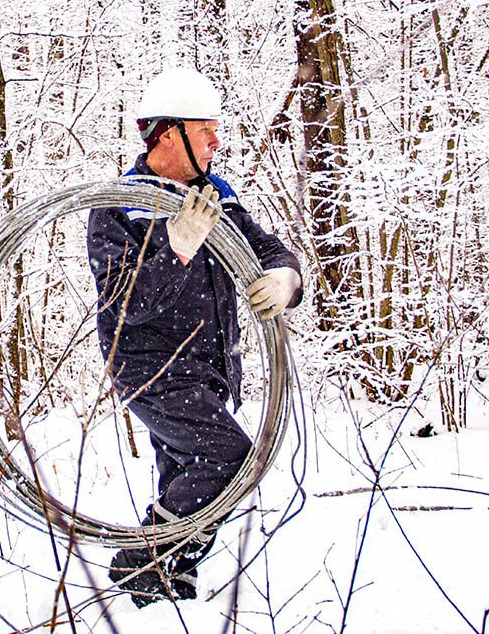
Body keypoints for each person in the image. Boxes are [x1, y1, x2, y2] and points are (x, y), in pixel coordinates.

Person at [86, 66, 303, 607]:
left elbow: (266, 249)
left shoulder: (218, 199)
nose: (216, 143)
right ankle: (143, 558)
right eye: (205, 132)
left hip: (211, 365)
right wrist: (176, 247)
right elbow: (124, 303)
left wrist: (284, 278)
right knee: (227, 459)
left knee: (186, 474)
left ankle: (164, 590)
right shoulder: (119, 205)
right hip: (150, 365)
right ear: (168, 134)